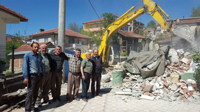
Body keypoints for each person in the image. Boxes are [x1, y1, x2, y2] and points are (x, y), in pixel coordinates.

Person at [22, 42, 44, 112]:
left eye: (37, 47)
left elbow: (41, 66)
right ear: (31, 47)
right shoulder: (27, 55)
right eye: (35, 47)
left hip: (39, 76)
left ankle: (32, 106)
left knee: (36, 92)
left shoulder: (39, 56)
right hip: (32, 77)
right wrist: (26, 77)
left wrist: (43, 76)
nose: (36, 48)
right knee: (30, 93)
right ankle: (27, 109)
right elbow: (24, 67)